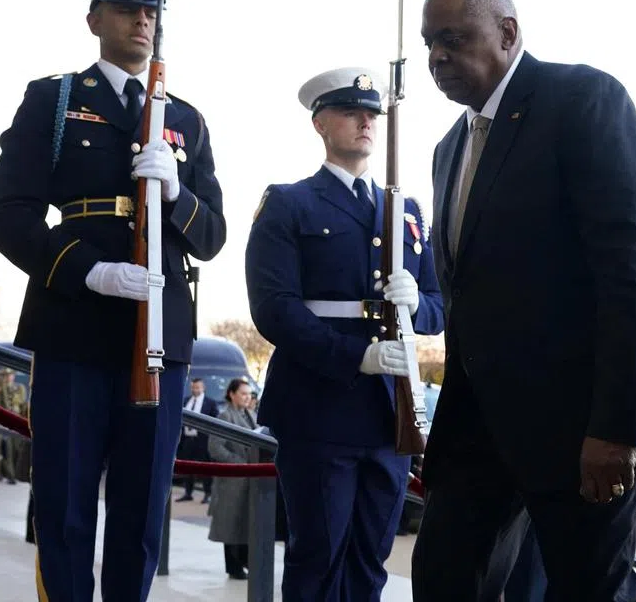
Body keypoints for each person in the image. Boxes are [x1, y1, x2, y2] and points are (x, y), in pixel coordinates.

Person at [411, 0, 636, 602]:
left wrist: (617, 427)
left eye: (452, 37)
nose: (437, 56)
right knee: (444, 578)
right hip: (479, 430)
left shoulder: (581, 100)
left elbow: (634, 274)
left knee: (589, 590)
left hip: (582, 429)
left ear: (507, 32)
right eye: (428, 43)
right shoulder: (451, 148)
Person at [0, 0, 226, 600]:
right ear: (94, 19)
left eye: (150, 11)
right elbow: (6, 214)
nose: (141, 23)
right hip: (74, 326)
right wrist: (87, 272)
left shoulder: (185, 119)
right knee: (64, 504)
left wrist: (178, 194)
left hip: (159, 338)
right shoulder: (55, 99)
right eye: (126, 9)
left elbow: (213, 237)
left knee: (143, 509)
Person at [245, 66, 445, 602]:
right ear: (320, 124)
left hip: (389, 413)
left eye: (372, 114)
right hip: (319, 407)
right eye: (350, 112)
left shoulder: (407, 212)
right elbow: (275, 309)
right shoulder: (289, 202)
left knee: (369, 559)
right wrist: (357, 357)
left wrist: (416, 303)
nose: (365, 122)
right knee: (318, 556)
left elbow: (439, 307)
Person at [207, 378, 258, 580]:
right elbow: (215, 447)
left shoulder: (251, 415)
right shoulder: (224, 415)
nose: (247, 398)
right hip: (232, 481)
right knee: (231, 524)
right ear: (232, 394)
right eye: (243, 394)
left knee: (246, 523)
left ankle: (245, 561)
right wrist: (238, 462)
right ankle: (234, 566)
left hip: (250, 480)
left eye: (249, 394)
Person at [177, 377, 219, 502]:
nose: (195, 390)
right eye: (193, 387)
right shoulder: (186, 401)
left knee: (205, 467)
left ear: (203, 388)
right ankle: (188, 493)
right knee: (187, 467)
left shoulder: (210, 403)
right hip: (188, 440)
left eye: (198, 387)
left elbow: (214, 422)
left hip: (202, 440)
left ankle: (207, 494)